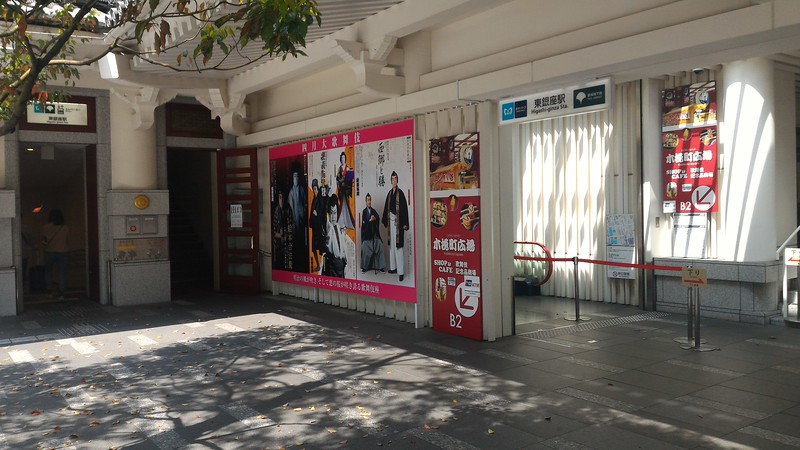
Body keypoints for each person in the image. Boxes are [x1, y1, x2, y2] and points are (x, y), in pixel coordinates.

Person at [382, 171, 409, 282]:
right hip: (391, 221)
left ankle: (401, 272)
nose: (394, 181)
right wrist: (385, 220)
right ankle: (393, 268)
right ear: (391, 181)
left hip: (398, 223)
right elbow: (386, 208)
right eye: (392, 179)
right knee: (392, 246)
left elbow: (404, 210)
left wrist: (405, 224)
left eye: (395, 179)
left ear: (397, 180)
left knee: (398, 247)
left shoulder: (401, 193)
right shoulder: (389, 194)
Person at [41, 209, 69, 298]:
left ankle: (49, 291)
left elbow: (43, 240)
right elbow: (68, 240)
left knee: (48, 272)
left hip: (49, 252)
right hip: (62, 252)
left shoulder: (46, 227)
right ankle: (61, 293)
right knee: (61, 273)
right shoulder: (65, 228)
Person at [360, 193, 386, 273]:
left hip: (374, 235)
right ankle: (365, 267)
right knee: (365, 247)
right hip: (367, 236)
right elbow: (364, 224)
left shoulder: (373, 210)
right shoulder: (364, 212)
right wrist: (369, 221)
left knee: (380, 246)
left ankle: (380, 266)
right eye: (368, 200)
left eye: (370, 200)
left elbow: (378, 218)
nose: (369, 202)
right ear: (365, 201)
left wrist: (375, 219)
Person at [323, 194, 348, 278]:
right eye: (331, 213)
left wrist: (344, 260)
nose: (333, 216)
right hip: (333, 267)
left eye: (335, 213)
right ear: (328, 214)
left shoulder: (338, 227)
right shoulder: (328, 227)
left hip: (342, 267)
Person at [335, 151, 355, 229]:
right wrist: (339, 186)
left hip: (346, 190)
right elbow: (337, 180)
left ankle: (348, 223)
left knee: (347, 206)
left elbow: (350, 180)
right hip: (341, 190)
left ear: (345, 159)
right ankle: (341, 223)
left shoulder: (347, 168)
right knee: (341, 206)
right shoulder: (339, 169)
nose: (343, 159)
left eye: (344, 158)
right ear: (341, 159)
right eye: (342, 158)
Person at [272, 191, 290, 269]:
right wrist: (279, 235)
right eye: (280, 197)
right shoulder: (276, 211)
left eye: (282, 197)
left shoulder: (288, 209)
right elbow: (273, 229)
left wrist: (285, 235)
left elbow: (291, 224)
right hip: (278, 242)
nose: (281, 200)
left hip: (287, 241)